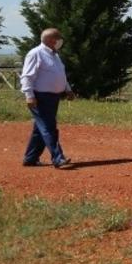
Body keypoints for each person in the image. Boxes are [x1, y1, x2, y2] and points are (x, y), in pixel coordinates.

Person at [20, 27, 75, 169]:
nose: (61, 41)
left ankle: (30, 158)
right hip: (40, 97)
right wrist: (29, 96)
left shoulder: (55, 55)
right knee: (49, 128)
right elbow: (27, 76)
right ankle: (58, 158)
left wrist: (68, 89)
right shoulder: (35, 54)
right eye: (58, 38)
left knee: (41, 129)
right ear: (51, 40)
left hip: (53, 97)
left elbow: (60, 75)